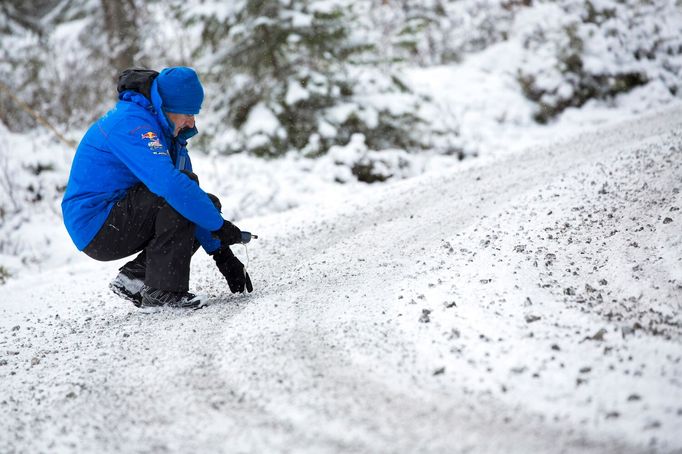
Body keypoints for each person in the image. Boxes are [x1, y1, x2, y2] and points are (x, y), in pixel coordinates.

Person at [61, 67, 253, 309]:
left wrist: (222, 254)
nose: (191, 121)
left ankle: (136, 279)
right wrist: (220, 227)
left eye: (195, 114)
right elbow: (172, 188)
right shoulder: (132, 124)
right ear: (167, 107)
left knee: (203, 203)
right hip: (96, 223)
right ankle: (163, 290)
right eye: (187, 113)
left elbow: (189, 195)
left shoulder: (166, 133)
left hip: (117, 217)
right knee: (179, 196)